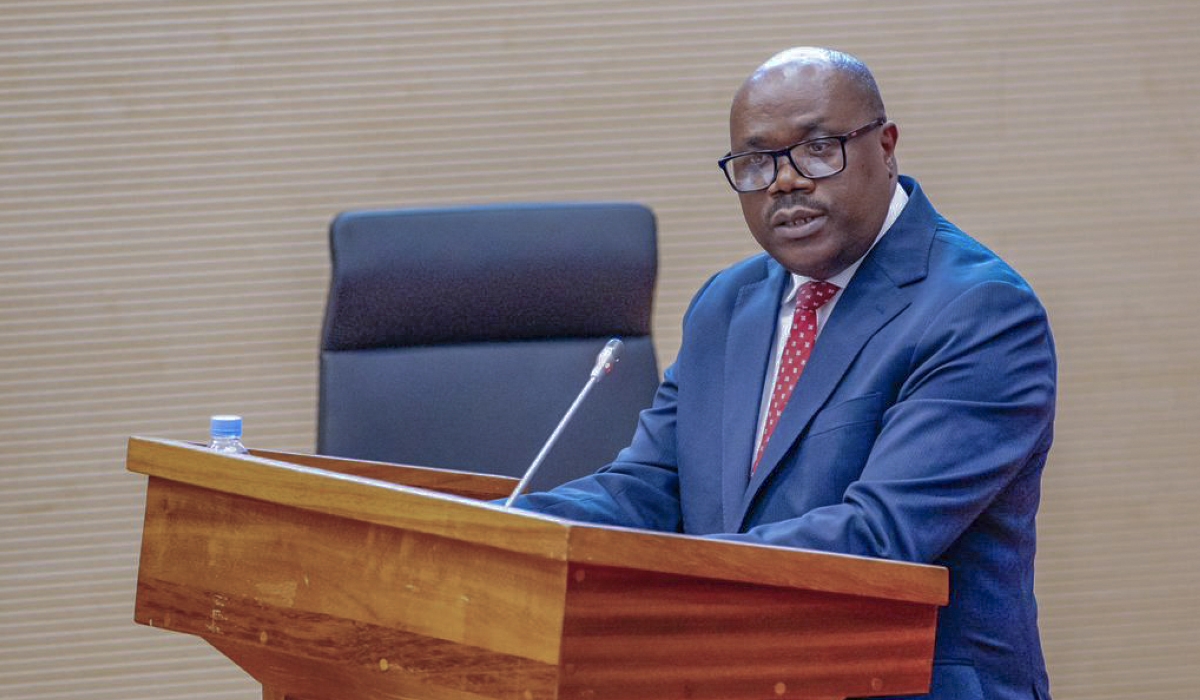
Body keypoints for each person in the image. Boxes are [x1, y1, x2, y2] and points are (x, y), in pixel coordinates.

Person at [511, 47, 1055, 700]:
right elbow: (648, 488)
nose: (786, 181)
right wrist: (497, 529)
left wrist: (669, 578)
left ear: (886, 147)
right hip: (737, 677)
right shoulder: (727, 304)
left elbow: (878, 536)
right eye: (757, 161)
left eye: (818, 148)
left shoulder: (979, 311)